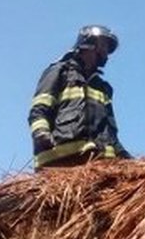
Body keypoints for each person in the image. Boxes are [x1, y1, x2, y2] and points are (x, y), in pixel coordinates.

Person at [28, 25, 131, 170]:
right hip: (61, 159)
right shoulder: (59, 72)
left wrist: (123, 155)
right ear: (89, 43)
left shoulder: (102, 87)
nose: (106, 53)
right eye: (103, 46)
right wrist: (41, 133)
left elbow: (110, 131)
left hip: (98, 161)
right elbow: (39, 109)